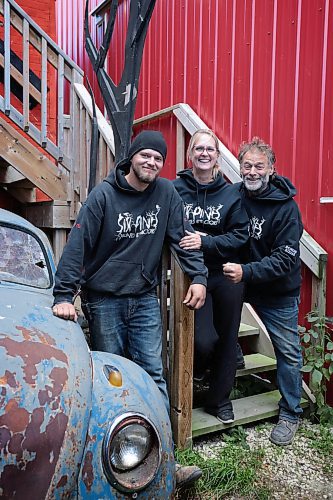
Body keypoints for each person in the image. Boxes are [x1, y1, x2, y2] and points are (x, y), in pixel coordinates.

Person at [52, 130, 208, 488]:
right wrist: (64, 296)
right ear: (132, 157)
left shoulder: (167, 193)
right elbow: (78, 245)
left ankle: (167, 460)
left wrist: (198, 276)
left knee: (153, 375)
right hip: (103, 299)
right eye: (146, 156)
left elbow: (182, 237)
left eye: (158, 159)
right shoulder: (104, 196)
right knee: (111, 380)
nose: (151, 163)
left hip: (142, 300)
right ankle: (113, 466)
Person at [223, 136, 303, 446]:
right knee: (214, 318)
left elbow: (285, 258)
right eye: (247, 165)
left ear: (271, 168)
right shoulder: (232, 196)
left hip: (277, 290)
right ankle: (235, 354)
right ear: (239, 167)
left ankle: (291, 412)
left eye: (259, 166)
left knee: (287, 351)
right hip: (241, 283)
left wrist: (247, 271)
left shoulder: (286, 208)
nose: (252, 171)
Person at [173, 128, 249, 424]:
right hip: (194, 274)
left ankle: (220, 400)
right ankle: (200, 376)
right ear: (190, 154)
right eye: (198, 149)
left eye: (210, 149)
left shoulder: (232, 193)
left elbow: (240, 236)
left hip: (227, 273)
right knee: (204, 340)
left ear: (217, 156)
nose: (204, 154)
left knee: (228, 338)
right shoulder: (175, 189)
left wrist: (207, 241)